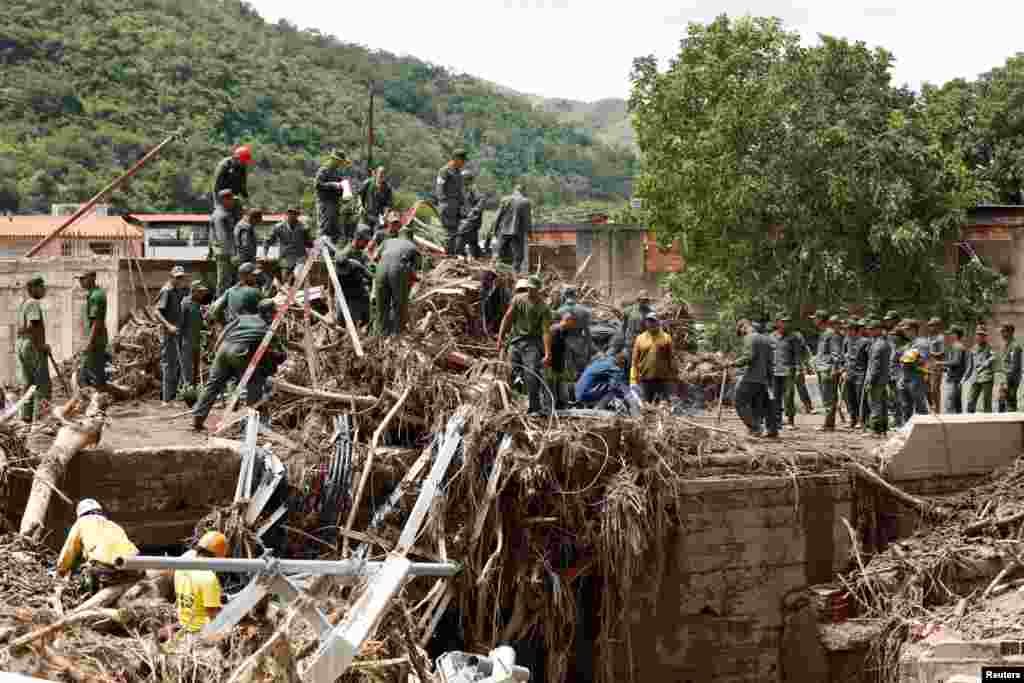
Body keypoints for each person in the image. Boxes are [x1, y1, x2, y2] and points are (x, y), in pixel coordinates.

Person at [192, 292, 287, 431]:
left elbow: (225, 331)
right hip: (239, 352)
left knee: (213, 385)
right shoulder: (268, 329)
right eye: (274, 313)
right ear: (268, 314)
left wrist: (215, 350)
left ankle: (197, 420)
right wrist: (278, 359)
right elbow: (279, 355)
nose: (275, 316)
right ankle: (250, 425)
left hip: (223, 349)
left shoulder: (243, 318)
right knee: (255, 382)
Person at [57, 499, 141, 593]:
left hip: (104, 568)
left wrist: (61, 570)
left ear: (80, 514)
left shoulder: (81, 523)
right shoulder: (114, 525)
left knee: (82, 578)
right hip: (132, 565)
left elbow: (69, 551)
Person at [498, 276, 553, 414]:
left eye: (533, 289)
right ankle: (509, 404)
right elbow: (507, 318)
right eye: (528, 288)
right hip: (515, 341)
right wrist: (500, 337)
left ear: (538, 290)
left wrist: (547, 353)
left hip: (532, 344)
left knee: (531, 374)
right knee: (510, 371)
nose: (530, 291)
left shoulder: (543, 308)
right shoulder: (518, 299)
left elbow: (546, 331)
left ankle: (534, 407)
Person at [174, 531, 228, 633]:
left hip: (184, 620)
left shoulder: (185, 558)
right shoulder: (208, 578)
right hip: (199, 629)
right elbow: (214, 619)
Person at [373, 225, 422, 336]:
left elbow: (375, 257)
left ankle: (381, 334)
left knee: (382, 305)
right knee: (399, 304)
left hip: (380, 270)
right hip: (398, 271)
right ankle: (397, 334)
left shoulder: (387, 242)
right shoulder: (413, 247)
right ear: (411, 237)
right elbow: (417, 270)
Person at [15, 275, 51, 423]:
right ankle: (43, 420)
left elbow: (22, 329)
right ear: (34, 288)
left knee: (28, 383)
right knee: (43, 384)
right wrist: (41, 345)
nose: (44, 290)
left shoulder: (24, 304)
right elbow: (33, 325)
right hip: (32, 346)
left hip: (22, 345)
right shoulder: (33, 304)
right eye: (42, 287)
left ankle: (25, 416)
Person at [734, 318, 777, 437]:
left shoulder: (750, 337)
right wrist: (769, 379)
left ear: (744, 327)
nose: (743, 335)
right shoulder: (766, 339)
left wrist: (733, 363)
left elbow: (748, 356)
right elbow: (770, 361)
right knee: (759, 405)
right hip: (763, 379)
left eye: (742, 332)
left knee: (739, 402)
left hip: (751, 378)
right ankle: (771, 430)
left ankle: (755, 428)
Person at [327, 226, 373, 327]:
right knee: (342, 326)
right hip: (344, 296)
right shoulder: (344, 257)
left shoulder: (360, 258)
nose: (366, 244)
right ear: (358, 238)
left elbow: (371, 276)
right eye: (365, 241)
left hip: (358, 295)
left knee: (363, 323)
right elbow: (330, 291)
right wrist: (331, 312)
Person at [75, 271, 113, 394]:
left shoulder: (96, 296)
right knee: (89, 373)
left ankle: (99, 403)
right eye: (79, 279)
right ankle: (96, 400)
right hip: (96, 339)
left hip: (96, 341)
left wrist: (89, 343)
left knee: (95, 375)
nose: (81, 282)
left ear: (92, 278)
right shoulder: (94, 294)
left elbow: (96, 323)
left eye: (83, 278)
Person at [155, 266, 188, 405]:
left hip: (178, 333)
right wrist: (169, 326)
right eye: (177, 277)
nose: (179, 279)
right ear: (171, 277)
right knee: (169, 365)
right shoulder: (167, 291)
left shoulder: (179, 291)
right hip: (169, 334)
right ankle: (166, 399)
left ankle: (172, 397)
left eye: (181, 277)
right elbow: (157, 312)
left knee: (176, 365)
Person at [630, 313, 676, 404]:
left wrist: (673, 376)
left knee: (663, 405)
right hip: (645, 378)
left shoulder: (666, 338)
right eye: (649, 321)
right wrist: (634, 377)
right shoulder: (640, 338)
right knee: (647, 405)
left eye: (653, 321)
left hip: (662, 378)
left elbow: (671, 358)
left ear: (658, 322)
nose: (651, 323)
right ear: (646, 323)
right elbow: (634, 360)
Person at [314, 149, 354, 245]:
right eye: (340, 161)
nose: (340, 164)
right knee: (325, 228)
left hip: (336, 203)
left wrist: (344, 189)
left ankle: (331, 251)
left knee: (335, 229)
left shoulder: (337, 172)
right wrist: (333, 185)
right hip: (325, 203)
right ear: (334, 160)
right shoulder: (324, 170)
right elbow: (318, 185)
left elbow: (342, 189)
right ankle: (321, 250)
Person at [491, 184, 532, 272]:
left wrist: (494, 232)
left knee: (499, 253)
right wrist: (529, 234)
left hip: (503, 231)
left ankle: (497, 271)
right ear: (523, 191)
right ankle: (515, 273)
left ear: (514, 190)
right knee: (519, 256)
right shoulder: (525, 202)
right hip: (517, 232)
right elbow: (527, 220)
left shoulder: (505, 199)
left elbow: (497, 217)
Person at [813, 311, 842, 431]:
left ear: (820, 319)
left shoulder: (831, 334)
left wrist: (835, 369)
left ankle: (828, 424)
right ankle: (828, 423)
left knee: (829, 397)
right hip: (822, 368)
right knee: (826, 397)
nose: (813, 320)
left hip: (827, 370)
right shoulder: (824, 333)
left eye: (815, 318)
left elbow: (836, 354)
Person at [557, 286, 594, 382]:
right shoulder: (585, 311)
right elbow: (587, 331)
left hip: (565, 342)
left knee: (568, 374)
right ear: (575, 295)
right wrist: (590, 347)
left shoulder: (559, 311)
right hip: (580, 342)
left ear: (564, 296)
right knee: (582, 372)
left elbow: (558, 330)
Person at [179, 281, 210, 390]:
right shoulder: (185, 304)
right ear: (194, 291)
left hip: (196, 340)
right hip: (187, 340)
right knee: (187, 367)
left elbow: (200, 322)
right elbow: (180, 323)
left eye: (203, 292)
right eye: (200, 292)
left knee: (196, 368)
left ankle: (193, 389)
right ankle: (185, 390)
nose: (202, 295)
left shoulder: (197, 304)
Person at [264, 206, 313, 275]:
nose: (292, 215)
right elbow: (268, 241)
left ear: (298, 215)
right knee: (285, 277)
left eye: (295, 213)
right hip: (285, 257)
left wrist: (308, 236)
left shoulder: (303, 227)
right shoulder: (278, 227)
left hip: (300, 257)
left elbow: (310, 244)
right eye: (290, 213)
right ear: (287, 214)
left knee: (299, 275)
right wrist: (265, 255)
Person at [436, 149, 467, 256]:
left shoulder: (458, 172)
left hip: (456, 207)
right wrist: (444, 204)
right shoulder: (445, 171)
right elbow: (439, 188)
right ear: (457, 159)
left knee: (454, 233)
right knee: (449, 233)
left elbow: (460, 190)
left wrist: (463, 205)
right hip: (447, 206)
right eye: (463, 160)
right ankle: (448, 257)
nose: (464, 163)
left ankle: (451, 255)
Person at [619, 292, 655, 384]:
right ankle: (626, 383)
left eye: (646, 300)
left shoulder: (650, 312)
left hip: (643, 341)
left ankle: (639, 384)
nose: (644, 301)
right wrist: (622, 338)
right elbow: (623, 326)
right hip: (630, 340)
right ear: (638, 300)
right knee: (628, 362)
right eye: (642, 299)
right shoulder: (629, 310)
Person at [769, 314, 797, 429]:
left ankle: (790, 421)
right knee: (775, 397)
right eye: (783, 321)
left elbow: (798, 354)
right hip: (774, 371)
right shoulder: (771, 337)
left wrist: (799, 367)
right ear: (777, 323)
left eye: (787, 322)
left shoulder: (793, 337)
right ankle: (777, 421)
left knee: (789, 396)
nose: (785, 324)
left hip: (788, 370)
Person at [211, 145, 252, 222]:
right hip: (222, 198)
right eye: (243, 161)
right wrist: (218, 204)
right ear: (237, 158)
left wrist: (247, 201)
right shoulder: (224, 165)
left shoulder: (242, 167)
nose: (244, 163)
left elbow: (242, 186)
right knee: (224, 217)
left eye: (245, 162)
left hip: (233, 197)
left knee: (240, 214)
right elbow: (216, 186)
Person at [865, 320, 892, 437]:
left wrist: (870, 380)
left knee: (874, 404)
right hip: (883, 379)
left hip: (876, 379)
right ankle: (884, 429)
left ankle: (875, 430)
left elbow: (875, 366)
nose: (869, 331)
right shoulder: (885, 343)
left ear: (878, 329)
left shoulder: (878, 345)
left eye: (871, 329)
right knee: (882, 403)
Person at [210, 189, 239, 296]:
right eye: (231, 199)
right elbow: (223, 237)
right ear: (224, 200)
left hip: (226, 252)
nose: (233, 202)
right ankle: (218, 307)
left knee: (228, 281)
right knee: (223, 282)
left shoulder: (225, 213)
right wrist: (232, 254)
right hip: (224, 253)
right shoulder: (220, 215)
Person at [844, 319, 871, 429]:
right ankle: (853, 419)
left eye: (850, 330)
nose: (848, 332)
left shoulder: (865, 341)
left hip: (861, 373)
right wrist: (844, 370)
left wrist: (868, 374)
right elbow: (845, 356)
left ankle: (863, 420)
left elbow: (869, 359)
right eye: (847, 330)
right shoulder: (847, 341)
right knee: (850, 397)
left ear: (856, 330)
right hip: (850, 372)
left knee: (861, 398)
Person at [456, 171, 486, 258]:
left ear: (467, 179)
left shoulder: (473, 189)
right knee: (473, 242)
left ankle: (459, 255)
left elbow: (481, 201)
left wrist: (473, 212)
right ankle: (478, 257)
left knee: (460, 237)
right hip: (467, 221)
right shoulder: (463, 189)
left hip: (470, 221)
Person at [966, 325, 995, 414]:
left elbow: (994, 357)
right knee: (970, 401)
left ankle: (988, 422)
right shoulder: (973, 348)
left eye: (982, 335)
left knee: (986, 402)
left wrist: (987, 362)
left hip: (986, 377)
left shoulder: (989, 347)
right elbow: (970, 366)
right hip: (975, 378)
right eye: (978, 334)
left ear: (985, 337)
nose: (980, 337)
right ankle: (970, 419)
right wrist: (964, 378)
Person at [941, 325, 967, 414]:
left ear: (955, 335)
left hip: (954, 380)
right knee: (957, 406)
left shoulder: (958, 347)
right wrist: (944, 368)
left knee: (950, 406)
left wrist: (940, 363)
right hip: (955, 379)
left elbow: (956, 362)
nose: (949, 336)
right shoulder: (957, 346)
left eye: (951, 334)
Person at [479, 269, 510, 337]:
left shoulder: (501, 291)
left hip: (499, 319)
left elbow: (503, 309)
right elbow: (483, 311)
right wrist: (486, 328)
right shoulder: (484, 291)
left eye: (489, 280)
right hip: (491, 319)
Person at [999, 322, 1022, 412]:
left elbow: (1014, 367)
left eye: (1004, 331)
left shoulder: (1015, 346)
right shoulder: (1006, 345)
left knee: (1010, 403)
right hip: (1005, 378)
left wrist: (1005, 383)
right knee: (1002, 401)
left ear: (1010, 332)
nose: (1002, 334)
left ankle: (1012, 423)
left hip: (1011, 380)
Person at [926, 317, 945, 412]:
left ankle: (937, 409)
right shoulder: (929, 338)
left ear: (938, 326)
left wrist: (929, 353)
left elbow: (942, 353)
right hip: (928, 366)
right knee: (927, 389)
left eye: (932, 325)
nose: (930, 327)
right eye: (929, 325)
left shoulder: (940, 338)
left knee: (935, 389)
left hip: (936, 366)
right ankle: (931, 408)